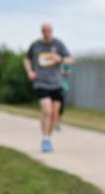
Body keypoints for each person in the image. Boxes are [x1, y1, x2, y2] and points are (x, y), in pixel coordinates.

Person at [23, 23, 72, 152]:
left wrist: (60, 59)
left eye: (49, 31)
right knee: (47, 110)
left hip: (56, 84)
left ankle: (48, 139)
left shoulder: (58, 44)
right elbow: (26, 59)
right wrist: (30, 71)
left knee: (54, 113)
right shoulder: (36, 45)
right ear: (42, 32)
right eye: (45, 31)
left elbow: (70, 59)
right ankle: (45, 139)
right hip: (41, 82)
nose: (47, 33)